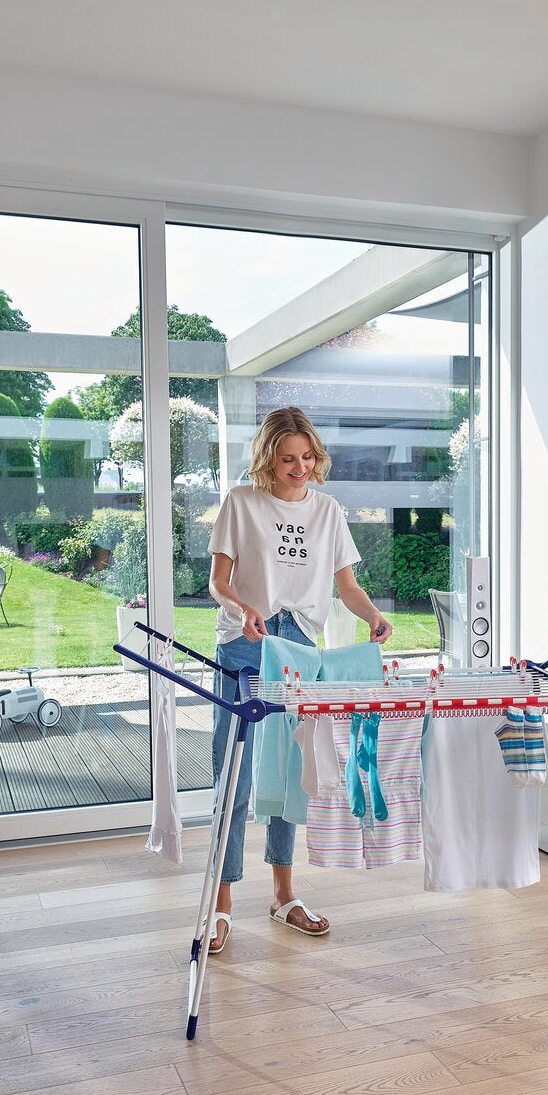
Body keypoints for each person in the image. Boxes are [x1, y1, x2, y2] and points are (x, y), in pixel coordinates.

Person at [207, 405, 391, 951]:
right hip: (246, 644)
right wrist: (241, 608)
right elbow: (218, 583)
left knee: (289, 773)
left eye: (307, 456)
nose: (300, 467)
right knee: (234, 778)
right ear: (268, 458)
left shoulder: (328, 510)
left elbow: (347, 586)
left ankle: (283, 895)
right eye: (288, 458)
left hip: (300, 650)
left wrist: (372, 615)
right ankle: (219, 905)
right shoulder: (241, 504)